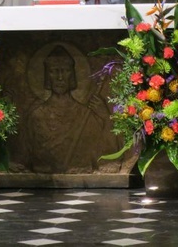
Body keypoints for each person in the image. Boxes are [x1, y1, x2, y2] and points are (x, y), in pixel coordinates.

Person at [26, 45, 116, 173]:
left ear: (72, 75)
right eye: (54, 71)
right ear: (47, 75)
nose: (60, 77)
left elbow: (105, 152)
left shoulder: (85, 114)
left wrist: (106, 117)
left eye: (65, 71)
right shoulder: (36, 115)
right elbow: (27, 155)